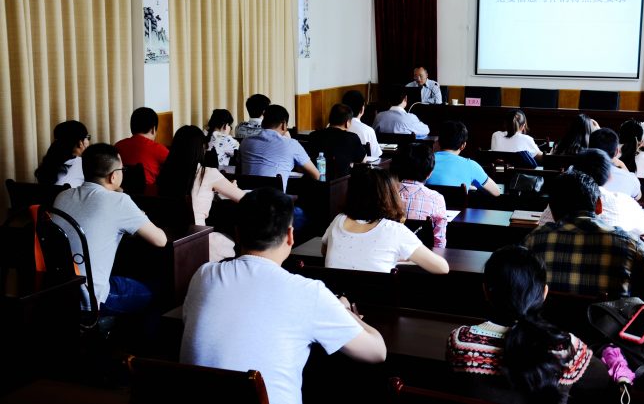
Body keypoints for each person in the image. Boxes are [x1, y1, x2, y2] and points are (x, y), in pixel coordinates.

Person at [180, 188, 386, 404]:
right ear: (290, 236)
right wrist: (343, 310)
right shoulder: (309, 293)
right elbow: (377, 352)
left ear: (237, 233)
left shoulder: (204, 275)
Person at [447, 245, 612, 404]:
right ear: (544, 293)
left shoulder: (460, 340)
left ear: (485, 291)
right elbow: (603, 380)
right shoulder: (566, 348)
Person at [53, 143, 167, 314]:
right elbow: (160, 240)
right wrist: (138, 215)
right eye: (122, 169)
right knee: (160, 291)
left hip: (60, 291)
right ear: (113, 176)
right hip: (92, 298)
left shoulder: (62, 196)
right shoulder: (119, 202)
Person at [524, 170, 644, 301]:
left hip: (547, 322)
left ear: (553, 211)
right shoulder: (628, 243)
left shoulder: (533, 240)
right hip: (606, 323)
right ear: (599, 206)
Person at [322, 166, 449, 274]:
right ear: (390, 196)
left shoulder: (338, 220)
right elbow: (442, 268)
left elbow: (325, 251)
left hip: (334, 295)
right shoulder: (395, 230)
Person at [157, 125, 246, 262]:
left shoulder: (164, 175)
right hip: (200, 242)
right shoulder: (207, 173)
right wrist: (232, 187)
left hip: (169, 243)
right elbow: (245, 199)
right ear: (201, 148)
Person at [537, 149, 644, 237]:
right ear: (609, 177)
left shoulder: (559, 199)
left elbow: (541, 225)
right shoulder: (624, 202)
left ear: (574, 170)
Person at [239, 104, 320, 190]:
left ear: (263, 123)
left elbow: (240, 169)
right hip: (275, 197)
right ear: (284, 125)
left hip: (246, 196)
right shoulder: (291, 144)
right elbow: (316, 175)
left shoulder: (245, 142)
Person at [426, 121, 501, 196]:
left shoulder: (425, 160)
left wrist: (434, 153)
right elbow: (496, 192)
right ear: (463, 145)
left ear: (438, 141)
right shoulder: (471, 166)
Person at [395, 143, 448, 248]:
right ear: (429, 174)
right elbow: (439, 242)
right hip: (422, 254)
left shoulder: (382, 193)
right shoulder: (436, 199)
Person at [308, 104, 367, 177]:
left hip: (314, 180)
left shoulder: (313, 135)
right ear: (347, 123)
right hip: (341, 181)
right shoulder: (352, 138)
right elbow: (363, 160)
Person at [115, 107, 169, 185]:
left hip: (121, 190)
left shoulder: (118, 146)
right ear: (153, 129)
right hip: (147, 191)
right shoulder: (159, 149)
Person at [589, 128, 641, 200]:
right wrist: (622, 165)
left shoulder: (576, 174)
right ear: (616, 152)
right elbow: (638, 196)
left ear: (588, 148)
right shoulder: (630, 178)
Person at [35, 120, 90, 187]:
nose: (88, 142)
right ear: (80, 142)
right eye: (88, 137)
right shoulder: (83, 163)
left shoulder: (50, 162)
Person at [342, 89, 382, 162]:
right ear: (362, 109)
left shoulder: (331, 127)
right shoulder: (368, 130)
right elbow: (375, 156)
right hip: (363, 168)